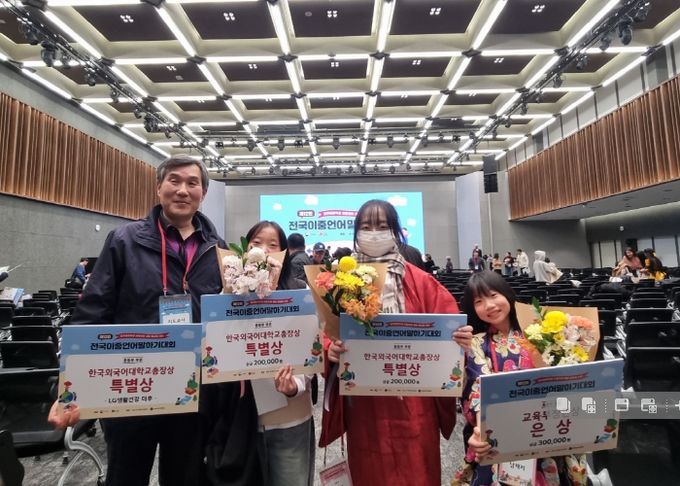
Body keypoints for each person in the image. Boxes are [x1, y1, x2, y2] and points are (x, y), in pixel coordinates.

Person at [49, 155, 224, 486]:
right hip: (132, 385)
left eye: (192, 183)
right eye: (174, 180)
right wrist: (69, 387)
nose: (183, 190)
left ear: (203, 193)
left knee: (186, 477)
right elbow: (92, 311)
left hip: (191, 391)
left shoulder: (217, 249)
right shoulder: (124, 240)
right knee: (125, 476)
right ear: (159, 187)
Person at [321, 199, 473, 486]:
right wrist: (331, 350)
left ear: (395, 231)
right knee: (369, 470)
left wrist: (460, 338)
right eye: (366, 227)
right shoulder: (339, 284)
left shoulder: (422, 282)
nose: (374, 233)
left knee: (418, 469)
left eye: (382, 226)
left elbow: (449, 326)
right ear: (356, 232)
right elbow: (326, 334)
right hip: (365, 404)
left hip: (415, 401)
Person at [452, 271, 587, 486]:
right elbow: (479, 387)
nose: (489, 305)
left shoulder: (540, 333)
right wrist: (480, 430)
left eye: (493, 295)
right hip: (501, 432)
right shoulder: (477, 343)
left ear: (507, 294)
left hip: (544, 428)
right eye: (479, 301)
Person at [246, 221, 315, 486]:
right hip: (243, 421)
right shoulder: (229, 293)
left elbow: (312, 348)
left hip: (290, 416)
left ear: (284, 252)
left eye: (273, 245)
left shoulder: (299, 291)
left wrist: (295, 385)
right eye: (256, 243)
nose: (264, 250)